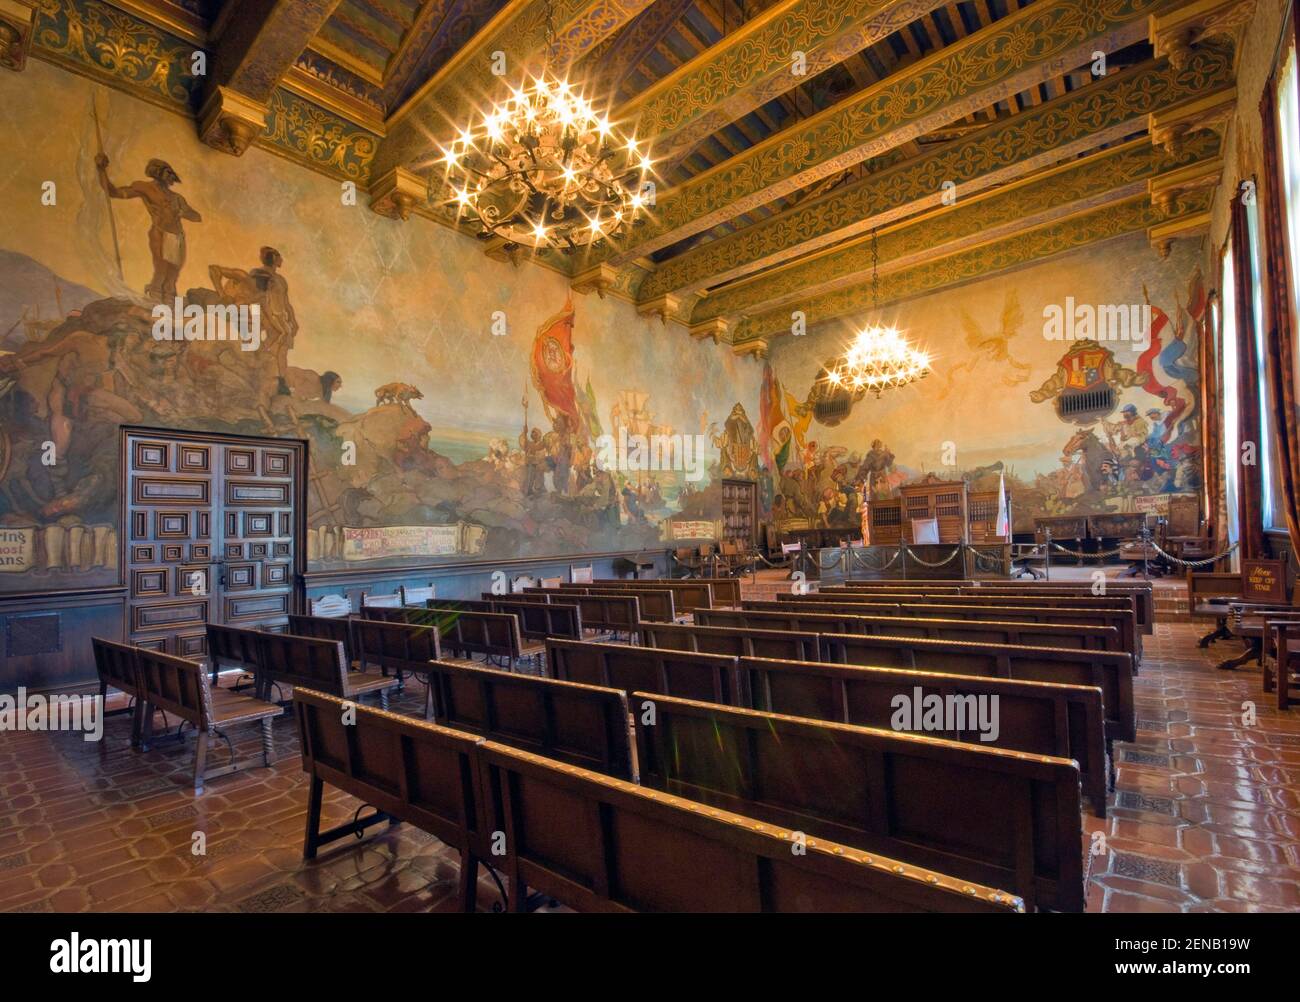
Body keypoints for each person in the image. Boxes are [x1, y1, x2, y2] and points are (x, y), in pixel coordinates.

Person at [95, 156, 201, 301]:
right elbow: (114, 192)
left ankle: (169, 306)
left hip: (177, 236)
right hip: (160, 232)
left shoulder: (176, 198)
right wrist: (101, 170)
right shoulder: (146, 188)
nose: (172, 177)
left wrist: (182, 212)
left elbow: (196, 217)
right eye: (168, 173)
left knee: (172, 276)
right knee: (161, 270)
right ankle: (155, 301)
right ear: (158, 173)